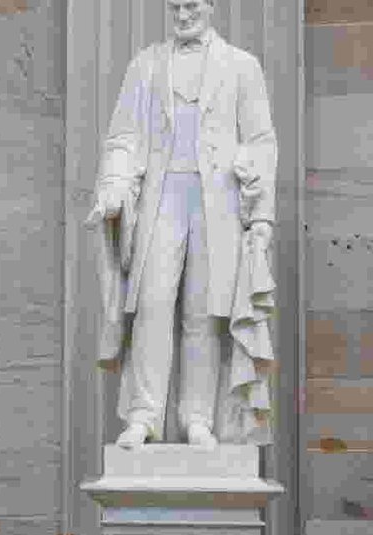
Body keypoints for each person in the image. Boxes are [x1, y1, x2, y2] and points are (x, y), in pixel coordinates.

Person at [89, 0, 277, 449]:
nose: (183, 14)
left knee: (203, 312)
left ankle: (198, 417)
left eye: (191, 4)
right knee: (152, 304)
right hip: (160, 197)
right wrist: (115, 185)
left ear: (211, 6)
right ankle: (144, 413)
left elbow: (260, 141)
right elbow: (123, 137)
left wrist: (262, 214)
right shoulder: (146, 66)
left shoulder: (241, 66)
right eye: (175, 5)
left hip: (219, 204)